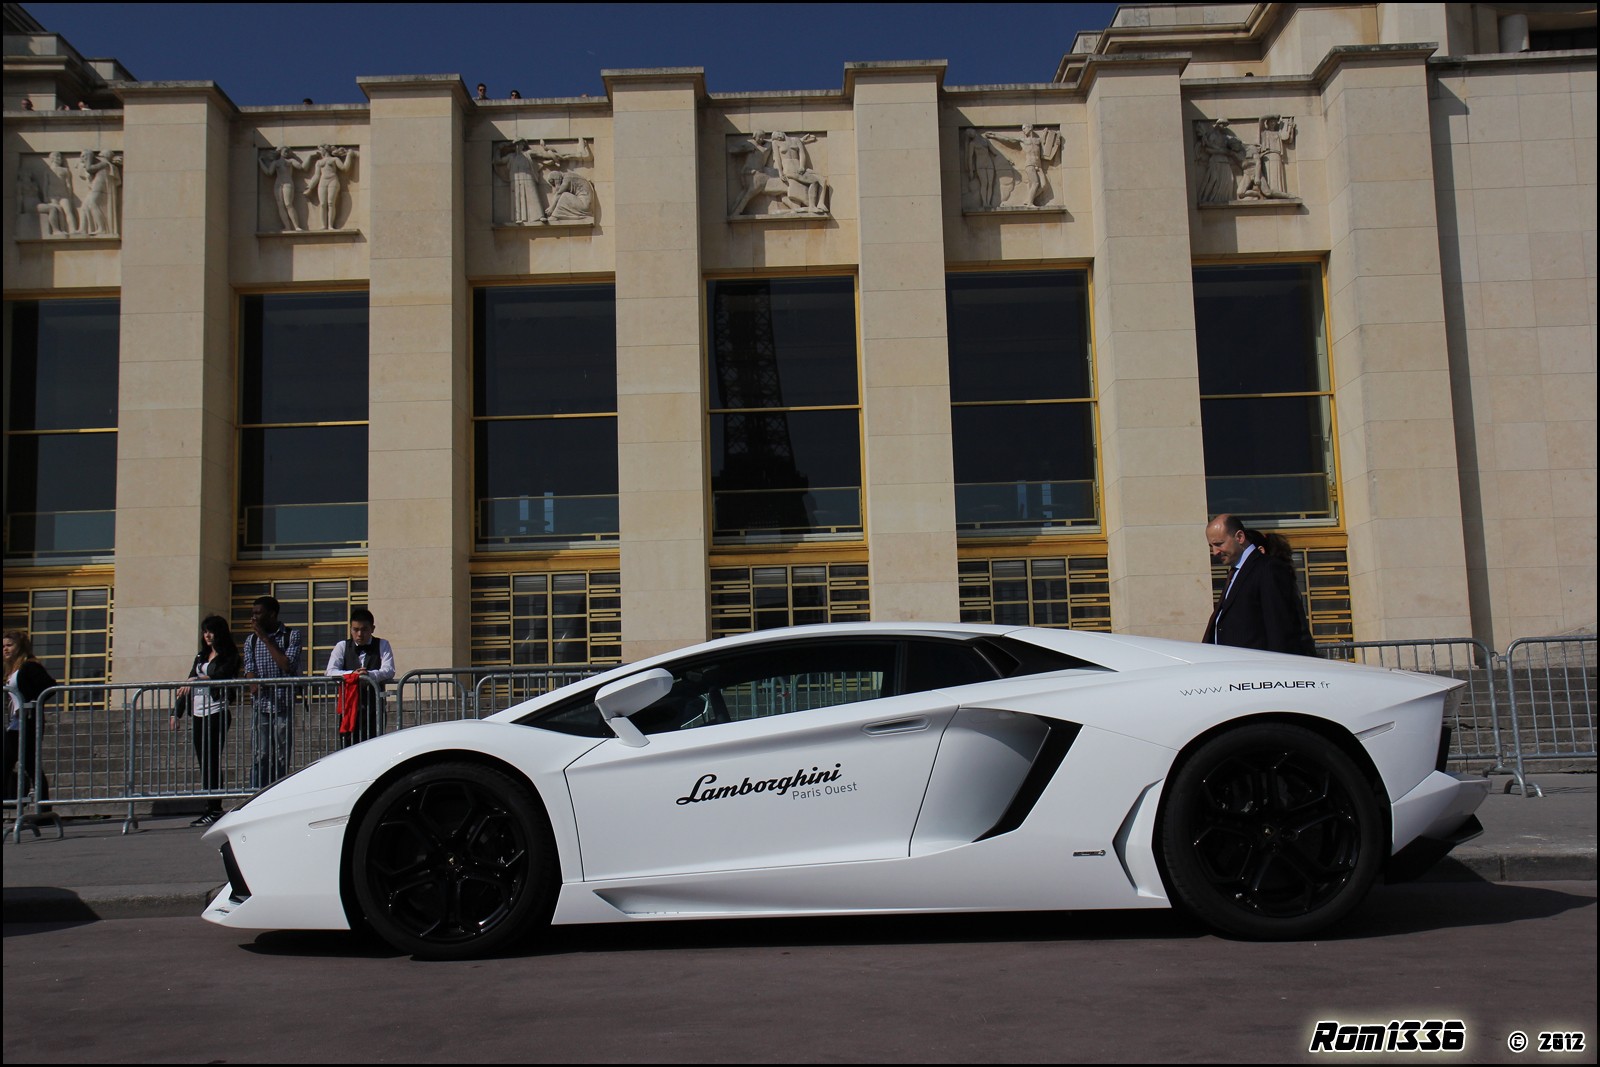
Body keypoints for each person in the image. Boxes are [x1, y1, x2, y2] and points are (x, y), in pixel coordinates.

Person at [1202, 513, 1316, 656]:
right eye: (1211, 546)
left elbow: (1280, 627)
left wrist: (1277, 671)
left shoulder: (1267, 569)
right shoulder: (1236, 572)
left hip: (1260, 670)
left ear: (1240, 537)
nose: (1215, 552)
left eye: (1219, 544)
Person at [171, 616, 241, 826]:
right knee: (204, 762)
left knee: (212, 760)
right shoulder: (201, 655)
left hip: (216, 712)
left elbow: (224, 674)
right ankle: (210, 806)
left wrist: (199, 679)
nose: (207, 635)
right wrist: (177, 713)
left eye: (211, 631)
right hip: (199, 713)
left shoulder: (229, 654)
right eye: (204, 631)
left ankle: (215, 808)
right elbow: (187, 683)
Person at [242, 596, 302, 788]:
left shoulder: (291, 635)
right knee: (261, 753)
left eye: (258, 613)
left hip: (283, 703)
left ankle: (278, 792)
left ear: (272, 614)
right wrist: (253, 682)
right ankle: (257, 794)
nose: (254, 617)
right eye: (253, 613)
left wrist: (266, 639)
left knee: (281, 753)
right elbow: (249, 666)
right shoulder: (251, 640)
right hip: (261, 703)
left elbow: (287, 665)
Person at [324, 608, 396, 748]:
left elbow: (389, 670)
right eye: (355, 629)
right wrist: (353, 674)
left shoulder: (383, 644)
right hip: (349, 708)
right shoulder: (342, 646)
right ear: (350, 628)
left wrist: (369, 675)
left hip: (374, 707)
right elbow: (330, 671)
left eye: (364, 629)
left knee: (375, 745)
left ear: (372, 629)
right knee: (348, 747)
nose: (359, 634)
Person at [4, 630, 56, 804]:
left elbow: (49, 686)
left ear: (20, 647)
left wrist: (32, 702)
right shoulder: (12, 669)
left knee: (30, 764)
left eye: (9, 645)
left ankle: (42, 808)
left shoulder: (29, 666)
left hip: (27, 722)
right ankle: (11, 803)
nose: (5, 649)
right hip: (15, 723)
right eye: (3, 646)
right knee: (19, 763)